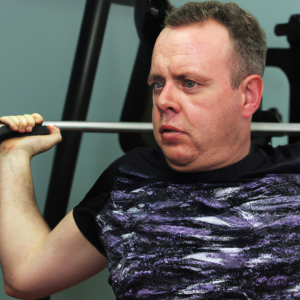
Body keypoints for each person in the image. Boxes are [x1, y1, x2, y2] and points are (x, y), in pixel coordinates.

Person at [0, 1, 299, 299]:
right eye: (158, 83)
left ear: (248, 96)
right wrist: (11, 157)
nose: (163, 100)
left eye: (189, 83)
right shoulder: (129, 181)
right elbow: (25, 276)